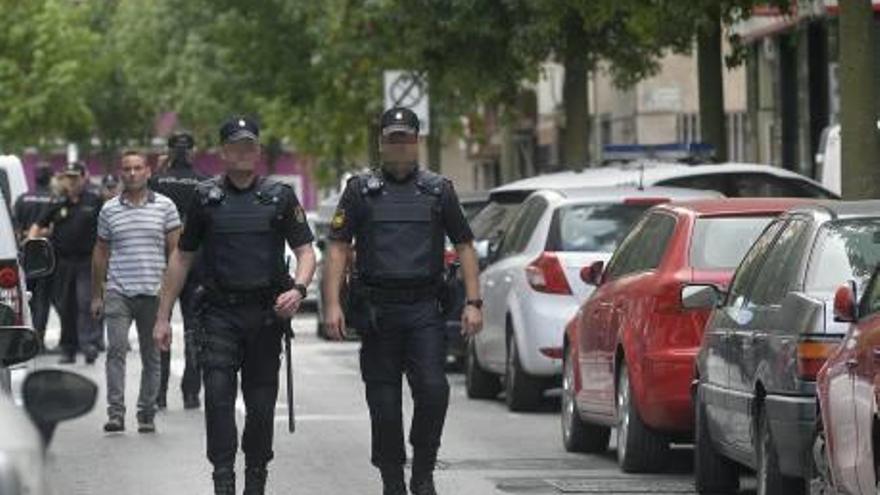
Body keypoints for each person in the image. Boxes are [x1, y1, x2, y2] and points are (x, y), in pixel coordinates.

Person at [323, 107, 483, 495]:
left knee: (433, 390)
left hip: (424, 309)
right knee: (384, 404)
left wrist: (474, 302)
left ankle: (423, 469)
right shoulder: (360, 190)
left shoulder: (438, 190)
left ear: (417, 142)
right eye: (392, 139)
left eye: (405, 139)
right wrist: (332, 304)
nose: (399, 146)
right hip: (378, 312)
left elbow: (464, 245)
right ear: (381, 143)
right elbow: (338, 247)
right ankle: (392, 479)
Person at [153, 116, 316, 495]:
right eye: (235, 146)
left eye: (250, 145)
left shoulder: (279, 196)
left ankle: (256, 477)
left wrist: (300, 288)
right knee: (218, 397)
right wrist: (162, 317)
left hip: (265, 316)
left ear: (257, 151)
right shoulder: (205, 197)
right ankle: (223, 477)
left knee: (260, 408)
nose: (243, 152)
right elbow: (182, 257)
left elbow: (306, 251)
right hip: (219, 314)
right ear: (223, 152)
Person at [90, 151, 181, 434]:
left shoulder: (166, 207)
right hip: (118, 291)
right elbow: (100, 252)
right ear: (121, 173)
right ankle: (116, 413)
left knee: (152, 356)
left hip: (154, 293)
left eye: (137, 168)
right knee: (115, 351)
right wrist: (97, 294)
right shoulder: (109, 210)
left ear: (148, 172)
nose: (132, 173)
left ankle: (146, 412)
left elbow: (175, 253)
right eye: (127, 169)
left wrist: (169, 295)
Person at [149, 131, 208, 410]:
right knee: (194, 329)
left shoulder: (156, 181)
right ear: (192, 152)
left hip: (162, 262)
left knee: (161, 325)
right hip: (196, 262)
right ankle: (191, 393)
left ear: (169, 151)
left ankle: (159, 394)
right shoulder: (204, 182)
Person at [29, 162, 102, 364]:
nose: (71, 181)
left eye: (75, 177)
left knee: (85, 301)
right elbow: (38, 225)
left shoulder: (94, 200)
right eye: (68, 177)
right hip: (63, 262)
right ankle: (69, 349)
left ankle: (88, 344)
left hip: (87, 261)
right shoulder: (58, 202)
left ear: (83, 177)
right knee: (66, 306)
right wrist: (32, 246)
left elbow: (107, 228)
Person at [13, 164, 55, 347]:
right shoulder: (54, 200)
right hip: (46, 256)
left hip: (25, 255)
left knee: (25, 298)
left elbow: (15, 230)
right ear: (50, 178)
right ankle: (39, 340)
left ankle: (24, 341)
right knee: (42, 300)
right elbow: (55, 229)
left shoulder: (22, 199)